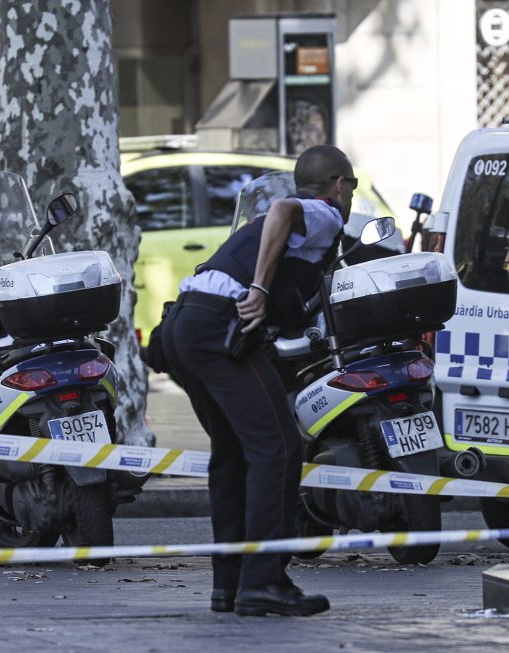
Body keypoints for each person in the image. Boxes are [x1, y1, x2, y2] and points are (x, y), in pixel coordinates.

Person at [160, 144, 357, 617]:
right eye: (349, 184)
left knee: (233, 454)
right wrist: (262, 288)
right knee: (280, 448)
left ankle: (229, 586)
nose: (349, 193)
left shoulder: (287, 225)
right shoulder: (324, 212)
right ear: (338, 183)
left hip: (183, 326)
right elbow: (284, 210)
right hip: (217, 328)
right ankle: (264, 582)